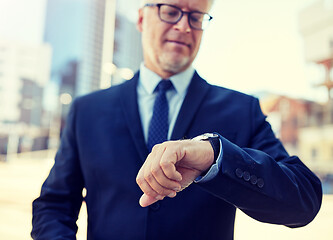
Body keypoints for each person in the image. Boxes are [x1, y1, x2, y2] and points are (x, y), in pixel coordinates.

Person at [31, 0, 322, 239]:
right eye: (171, 12)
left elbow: (304, 202)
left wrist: (214, 157)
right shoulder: (87, 111)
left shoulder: (241, 109)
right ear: (142, 20)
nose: (184, 26)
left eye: (196, 17)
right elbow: (54, 205)